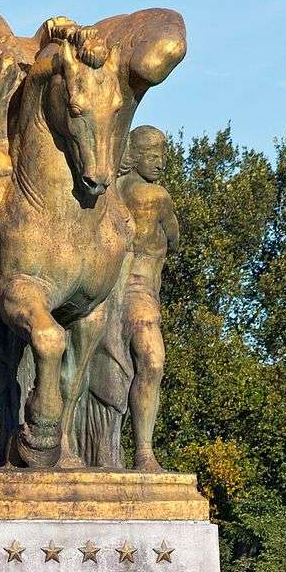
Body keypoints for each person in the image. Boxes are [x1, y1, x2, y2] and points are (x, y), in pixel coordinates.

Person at [116, 125, 179, 471]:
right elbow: (175, 238)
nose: (160, 163)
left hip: (109, 292)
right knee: (153, 362)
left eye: (163, 156)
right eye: (153, 155)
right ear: (134, 156)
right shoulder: (157, 197)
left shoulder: (109, 193)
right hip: (138, 293)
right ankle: (144, 451)